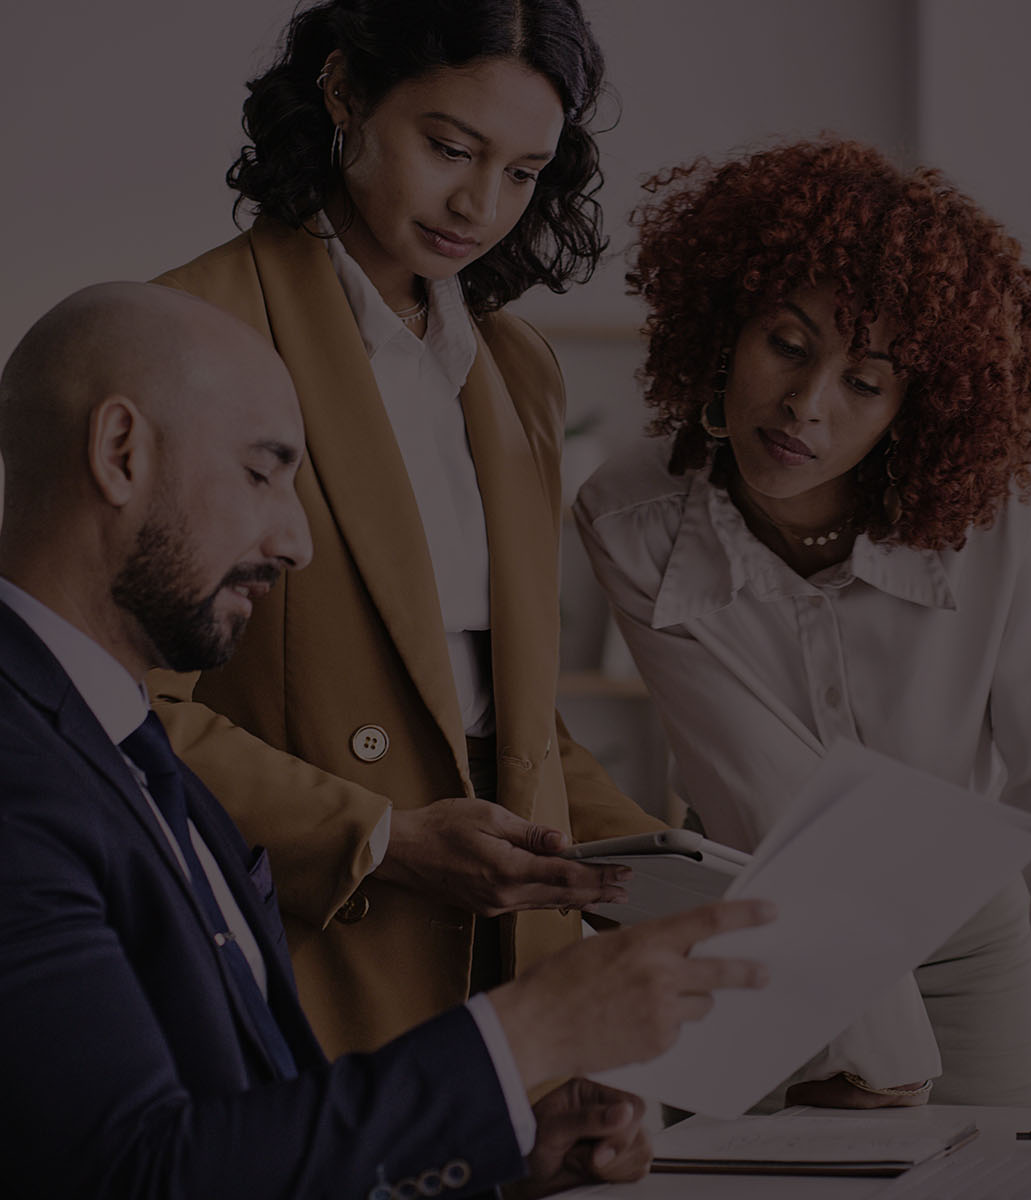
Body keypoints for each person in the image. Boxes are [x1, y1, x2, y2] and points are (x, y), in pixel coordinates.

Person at [0, 282, 774, 1199]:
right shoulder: (21, 776)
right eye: (261, 473)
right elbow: (135, 1179)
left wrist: (496, 1157)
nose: (296, 542)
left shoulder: (128, 749)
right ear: (121, 452)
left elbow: (232, 1136)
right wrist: (530, 1034)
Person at [574, 137, 1031, 1118]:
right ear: (727, 325)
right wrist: (868, 1054)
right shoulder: (630, 518)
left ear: (915, 406)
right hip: (764, 929)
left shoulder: (995, 514)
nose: (805, 406)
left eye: (864, 382)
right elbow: (760, 790)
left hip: (970, 939)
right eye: (787, 344)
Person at [149, 0, 665, 1060]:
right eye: (448, 147)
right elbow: (108, 711)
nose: (479, 203)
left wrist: (667, 866)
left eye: (523, 172)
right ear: (342, 91)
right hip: (301, 952)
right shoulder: (188, 338)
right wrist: (377, 838)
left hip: (513, 967)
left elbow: (509, 717)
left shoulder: (517, 371)